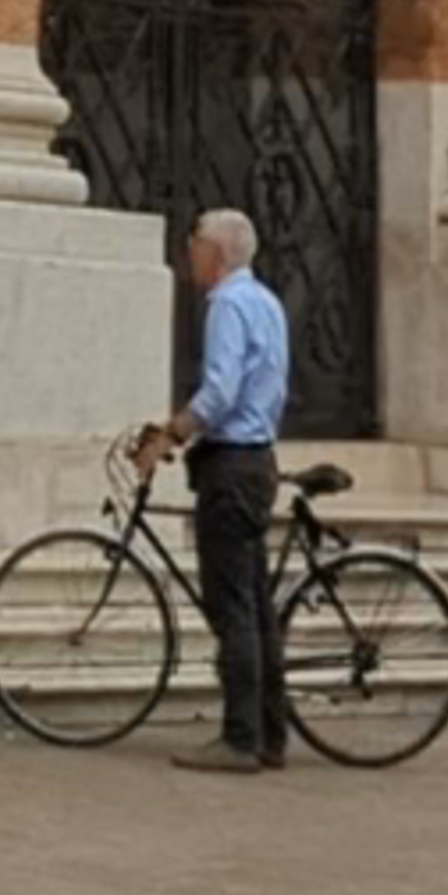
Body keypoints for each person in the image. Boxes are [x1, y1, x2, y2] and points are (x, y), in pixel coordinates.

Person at [137, 203, 292, 770]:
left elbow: (222, 389)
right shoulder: (267, 303)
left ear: (217, 252)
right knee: (256, 607)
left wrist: (172, 430)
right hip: (259, 460)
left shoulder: (227, 304)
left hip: (230, 466)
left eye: (196, 241)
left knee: (232, 609)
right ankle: (270, 734)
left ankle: (239, 737)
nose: (189, 251)